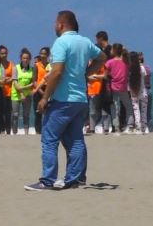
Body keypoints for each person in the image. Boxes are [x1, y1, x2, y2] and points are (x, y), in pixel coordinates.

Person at [26, 10, 104, 191]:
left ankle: (47, 180)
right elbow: (102, 58)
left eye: (55, 23)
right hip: (80, 99)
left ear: (61, 24)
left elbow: (57, 71)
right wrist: (86, 73)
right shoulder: (85, 42)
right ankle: (74, 179)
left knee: (49, 139)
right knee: (76, 139)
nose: (54, 26)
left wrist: (45, 97)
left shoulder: (61, 42)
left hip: (63, 99)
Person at [105, 43, 132, 133]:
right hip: (123, 87)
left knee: (115, 108)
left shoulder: (109, 62)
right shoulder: (126, 61)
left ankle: (116, 127)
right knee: (128, 107)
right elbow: (128, 57)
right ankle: (129, 126)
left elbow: (105, 76)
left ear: (114, 50)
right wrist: (125, 49)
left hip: (113, 87)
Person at [11, 48, 37, 135]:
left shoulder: (32, 69)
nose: (25, 60)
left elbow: (33, 83)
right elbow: (15, 82)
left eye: (27, 58)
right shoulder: (16, 68)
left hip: (28, 96)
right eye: (24, 58)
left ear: (30, 59)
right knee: (15, 115)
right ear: (21, 58)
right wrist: (22, 93)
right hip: (16, 95)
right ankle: (14, 132)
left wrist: (25, 87)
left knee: (26, 115)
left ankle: (26, 133)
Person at [128, 51, 148, 133]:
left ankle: (138, 127)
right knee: (144, 111)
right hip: (143, 92)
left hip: (133, 91)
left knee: (136, 111)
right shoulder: (142, 68)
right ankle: (143, 128)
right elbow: (145, 77)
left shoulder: (129, 69)